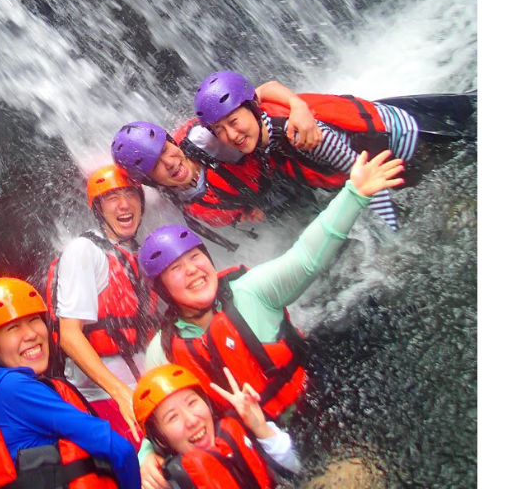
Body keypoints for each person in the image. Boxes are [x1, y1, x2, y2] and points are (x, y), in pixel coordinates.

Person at [134, 149, 404, 488]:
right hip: (258, 448)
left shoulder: (251, 291)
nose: (192, 271)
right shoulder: (164, 350)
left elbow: (307, 257)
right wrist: (147, 455)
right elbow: (155, 411)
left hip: (317, 415)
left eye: (195, 258)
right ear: (162, 289)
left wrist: (354, 194)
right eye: (176, 269)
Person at [194, 70, 476, 230]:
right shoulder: (261, 129)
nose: (231, 135)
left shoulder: (302, 135)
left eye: (233, 122)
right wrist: (297, 103)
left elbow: (366, 180)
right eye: (219, 130)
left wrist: (395, 230)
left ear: (251, 109)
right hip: (389, 121)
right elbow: (265, 87)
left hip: (411, 143)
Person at [0, 277, 141, 489]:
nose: (32, 334)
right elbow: (118, 448)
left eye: (34, 319)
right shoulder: (14, 388)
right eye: (13, 328)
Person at [45, 164, 160, 445]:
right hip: (103, 396)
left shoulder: (139, 252)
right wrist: (120, 392)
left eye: (131, 194)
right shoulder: (84, 251)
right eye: (112, 198)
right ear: (98, 210)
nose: (124, 205)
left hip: (145, 385)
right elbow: (70, 337)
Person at [110, 83, 325, 232]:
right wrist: (246, 213)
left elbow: (257, 95)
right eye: (155, 165)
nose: (170, 162)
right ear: (149, 180)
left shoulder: (206, 136)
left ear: (172, 142)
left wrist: (298, 106)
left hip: (288, 168)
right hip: (267, 202)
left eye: (165, 150)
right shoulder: (184, 204)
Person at [133, 363, 298, 488]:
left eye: (192, 402)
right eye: (173, 417)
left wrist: (261, 429)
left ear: (208, 405)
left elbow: (297, 469)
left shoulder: (238, 429)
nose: (192, 421)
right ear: (160, 440)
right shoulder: (170, 481)